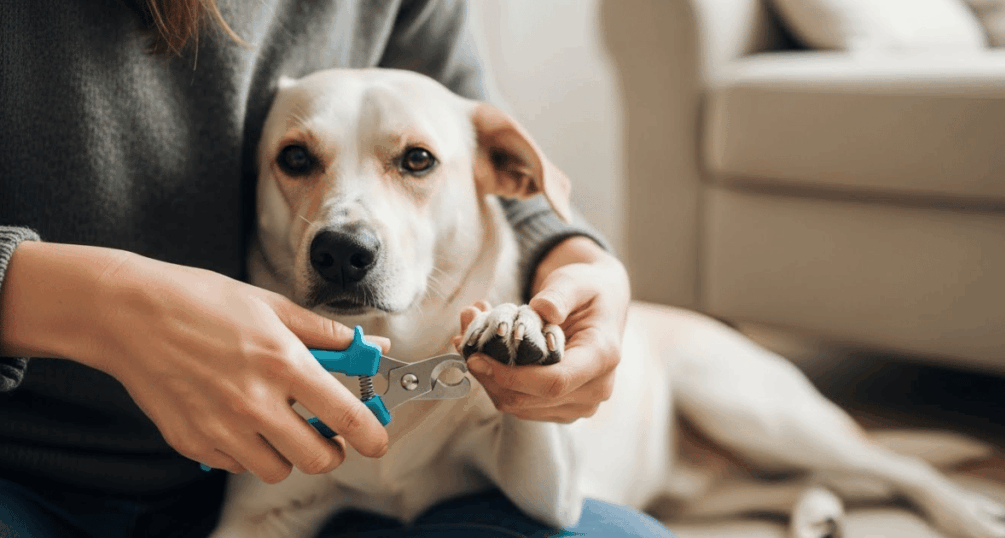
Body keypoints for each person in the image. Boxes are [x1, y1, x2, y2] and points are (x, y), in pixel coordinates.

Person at [0, 1, 673, 537]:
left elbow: (475, 151)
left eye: (411, 162)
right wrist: (97, 304)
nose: (343, 239)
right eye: (298, 161)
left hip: (259, 477)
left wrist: (578, 258)